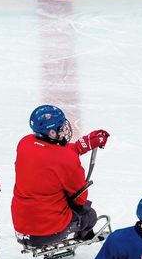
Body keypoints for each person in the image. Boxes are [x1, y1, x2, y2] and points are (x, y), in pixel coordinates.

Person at [12, 105, 109, 251]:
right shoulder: (66, 160)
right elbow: (80, 200)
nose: (65, 130)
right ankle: (84, 236)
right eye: (61, 128)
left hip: (21, 229)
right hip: (46, 233)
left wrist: (79, 146)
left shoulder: (24, 143)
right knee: (89, 214)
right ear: (51, 133)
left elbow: (51, 153)